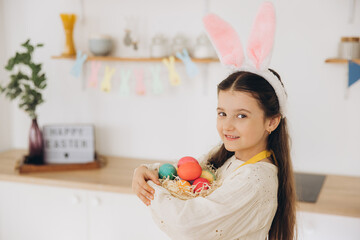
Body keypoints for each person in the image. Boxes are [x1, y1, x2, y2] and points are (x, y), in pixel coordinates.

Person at [132, 2, 296, 240]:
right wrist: (146, 171)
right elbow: (182, 172)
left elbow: (185, 224)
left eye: (241, 115)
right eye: (222, 113)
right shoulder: (228, 158)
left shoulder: (255, 180)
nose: (227, 125)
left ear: (271, 122)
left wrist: (151, 189)